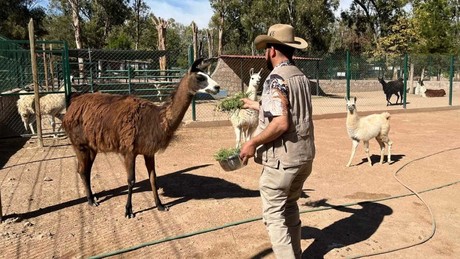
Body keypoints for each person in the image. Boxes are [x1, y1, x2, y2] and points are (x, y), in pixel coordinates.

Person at [239, 24, 316, 259]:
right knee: (290, 208)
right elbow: (287, 108)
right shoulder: (299, 76)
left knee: (274, 217)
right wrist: (255, 105)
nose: (265, 53)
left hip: (282, 162)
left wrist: (252, 143)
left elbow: (281, 122)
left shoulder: (275, 78)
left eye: (266, 49)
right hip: (304, 158)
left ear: (272, 51)